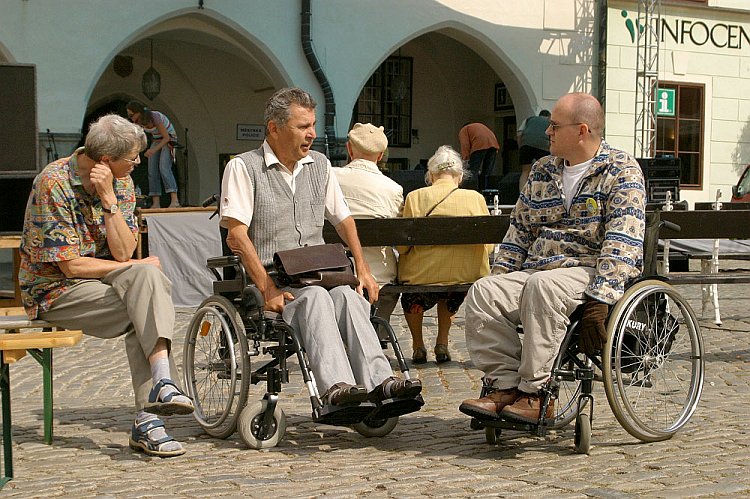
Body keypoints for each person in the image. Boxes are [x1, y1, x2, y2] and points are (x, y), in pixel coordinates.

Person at [219, 88, 422, 422]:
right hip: (277, 274)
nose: (312, 133)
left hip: (323, 269)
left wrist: (364, 268)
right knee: (314, 298)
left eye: (313, 125)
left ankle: (381, 381)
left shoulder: (321, 165)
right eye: (302, 126)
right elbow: (237, 235)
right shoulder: (244, 167)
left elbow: (343, 220)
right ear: (274, 128)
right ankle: (337, 387)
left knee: (347, 296)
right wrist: (267, 288)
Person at [459, 93, 646, 424]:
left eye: (555, 126)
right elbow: (519, 233)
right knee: (484, 292)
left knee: (542, 287)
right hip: (538, 272)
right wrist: (499, 278)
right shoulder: (543, 171)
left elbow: (623, 241)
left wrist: (601, 298)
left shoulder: (621, 171)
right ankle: (504, 386)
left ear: (582, 130)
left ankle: (537, 393)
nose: (547, 132)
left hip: (587, 269)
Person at [19, 114, 194, 457]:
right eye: (131, 158)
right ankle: (150, 416)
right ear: (105, 160)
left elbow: (123, 250)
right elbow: (70, 266)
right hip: (54, 291)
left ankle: (160, 387)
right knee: (144, 293)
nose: (138, 162)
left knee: (145, 286)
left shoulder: (121, 181)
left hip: (105, 283)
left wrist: (109, 200)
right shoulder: (53, 183)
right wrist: (131, 266)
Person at [397, 145, 493, 365]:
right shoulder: (475, 199)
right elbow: (488, 247)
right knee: (453, 289)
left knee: (412, 296)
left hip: (421, 274)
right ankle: (442, 341)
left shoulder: (415, 197)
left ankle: (418, 345)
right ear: (459, 177)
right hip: (464, 273)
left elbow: (402, 247)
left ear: (430, 176)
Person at [333, 123, 403, 338]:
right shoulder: (393, 189)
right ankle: (377, 336)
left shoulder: (330, 177)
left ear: (349, 149)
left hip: (334, 272)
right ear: (381, 155)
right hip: (379, 275)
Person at [126, 100, 180, 208]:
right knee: (152, 170)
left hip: (168, 140)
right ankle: (156, 202)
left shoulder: (154, 117)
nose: (132, 119)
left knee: (164, 168)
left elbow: (166, 137)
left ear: (139, 112)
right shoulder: (138, 123)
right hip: (156, 140)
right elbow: (138, 138)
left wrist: (153, 150)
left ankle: (175, 200)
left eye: (132, 115)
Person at [458, 122, 500, 192]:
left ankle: (472, 191)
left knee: (472, 172)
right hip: (493, 144)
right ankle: (487, 192)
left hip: (479, 143)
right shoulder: (477, 126)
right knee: (488, 172)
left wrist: (465, 159)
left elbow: (465, 145)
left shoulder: (464, 130)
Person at [517, 109, 551, 190]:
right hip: (543, 146)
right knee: (544, 171)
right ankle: (541, 194)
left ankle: (522, 196)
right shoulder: (549, 122)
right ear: (549, 117)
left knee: (525, 171)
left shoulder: (529, 119)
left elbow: (519, 134)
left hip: (526, 144)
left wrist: (521, 147)